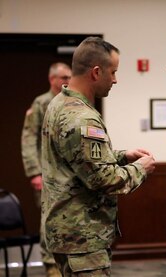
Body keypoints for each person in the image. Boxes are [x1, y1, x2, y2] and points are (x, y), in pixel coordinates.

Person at [40, 37, 156, 276]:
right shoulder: (82, 117)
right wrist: (141, 168)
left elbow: (77, 159)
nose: (115, 79)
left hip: (68, 233)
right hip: (82, 238)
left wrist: (123, 156)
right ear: (96, 72)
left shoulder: (59, 103)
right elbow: (104, 180)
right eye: (113, 72)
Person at [21, 62, 71, 277]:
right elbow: (29, 137)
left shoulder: (73, 102)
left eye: (70, 76)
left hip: (69, 176)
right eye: (63, 77)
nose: (67, 81)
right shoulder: (41, 103)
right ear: (52, 80)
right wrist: (34, 172)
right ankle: (52, 266)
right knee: (48, 220)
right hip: (47, 174)